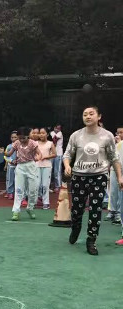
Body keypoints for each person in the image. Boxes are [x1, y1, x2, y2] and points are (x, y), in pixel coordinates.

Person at [63, 106, 123, 255]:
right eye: (85, 114)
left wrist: (120, 176)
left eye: (91, 114)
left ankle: (92, 240)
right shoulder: (76, 136)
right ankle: (75, 227)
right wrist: (66, 166)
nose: (88, 117)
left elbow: (114, 158)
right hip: (79, 176)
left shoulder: (107, 136)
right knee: (77, 209)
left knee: (95, 209)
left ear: (99, 116)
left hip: (99, 176)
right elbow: (67, 154)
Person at [5, 127, 41, 221]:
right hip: (20, 167)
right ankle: (16, 211)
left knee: (33, 190)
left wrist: (38, 158)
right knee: (19, 189)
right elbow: (9, 154)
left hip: (31, 166)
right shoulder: (17, 143)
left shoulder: (33, 143)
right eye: (19, 138)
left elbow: (39, 154)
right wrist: (3, 152)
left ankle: (30, 208)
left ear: (28, 136)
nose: (21, 140)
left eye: (23, 138)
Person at [37, 128, 56, 209]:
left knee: (45, 185)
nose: (41, 134)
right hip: (37, 166)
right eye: (40, 133)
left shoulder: (50, 143)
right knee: (37, 185)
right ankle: (34, 201)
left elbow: (55, 154)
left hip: (47, 166)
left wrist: (46, 157)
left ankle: (46, 202)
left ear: (47, 134)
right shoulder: (35, 143)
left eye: (43, 133)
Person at [4, 131, 17, 200]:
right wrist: (11, 161)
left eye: (15, 137)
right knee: (10, 179)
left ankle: (17, 193)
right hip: (11, 166)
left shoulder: (20, 146)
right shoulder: (9, 146)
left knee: (17, 180)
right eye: (12, 137)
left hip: (18, 166)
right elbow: (6, 156)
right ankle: (10, 192)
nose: (14, 138)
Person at [50, 124, 64, 192]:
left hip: (58, 154)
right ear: (54, 128)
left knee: (57, 171)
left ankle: (57, 186)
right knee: (49, 170)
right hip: (51, 154)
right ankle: (48, 185)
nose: (58, 130)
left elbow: (54, 140)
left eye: (59, 128)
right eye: (56, 128)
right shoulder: (52, 132)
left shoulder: (60, 133)